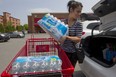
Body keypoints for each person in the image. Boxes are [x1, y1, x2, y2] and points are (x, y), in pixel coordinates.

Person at [60, 0, 83, 67]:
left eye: (80, 11)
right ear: (71, 9)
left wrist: (67, 37)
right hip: (63, 51)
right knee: (63, 70)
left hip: (72, 53)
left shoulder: (78, 24)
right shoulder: (63, 22)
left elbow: (78, 39)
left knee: (69, 72)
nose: (79, 14)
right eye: (78, 11)